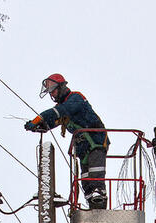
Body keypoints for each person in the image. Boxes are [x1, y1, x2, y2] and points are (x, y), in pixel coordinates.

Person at [25, 74, 109, 209]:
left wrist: (39, 118)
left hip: (96, 139)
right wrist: (41, 125)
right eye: (50, 92)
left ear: (62, 87)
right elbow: (55, 120)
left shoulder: (75, 98)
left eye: (53, 90)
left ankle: (99, 195)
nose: (52, 94)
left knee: (95, 173)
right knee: (85, 178)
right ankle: (93, 203)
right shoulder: (62, 106)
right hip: (82, 146)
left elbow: (59, 112)